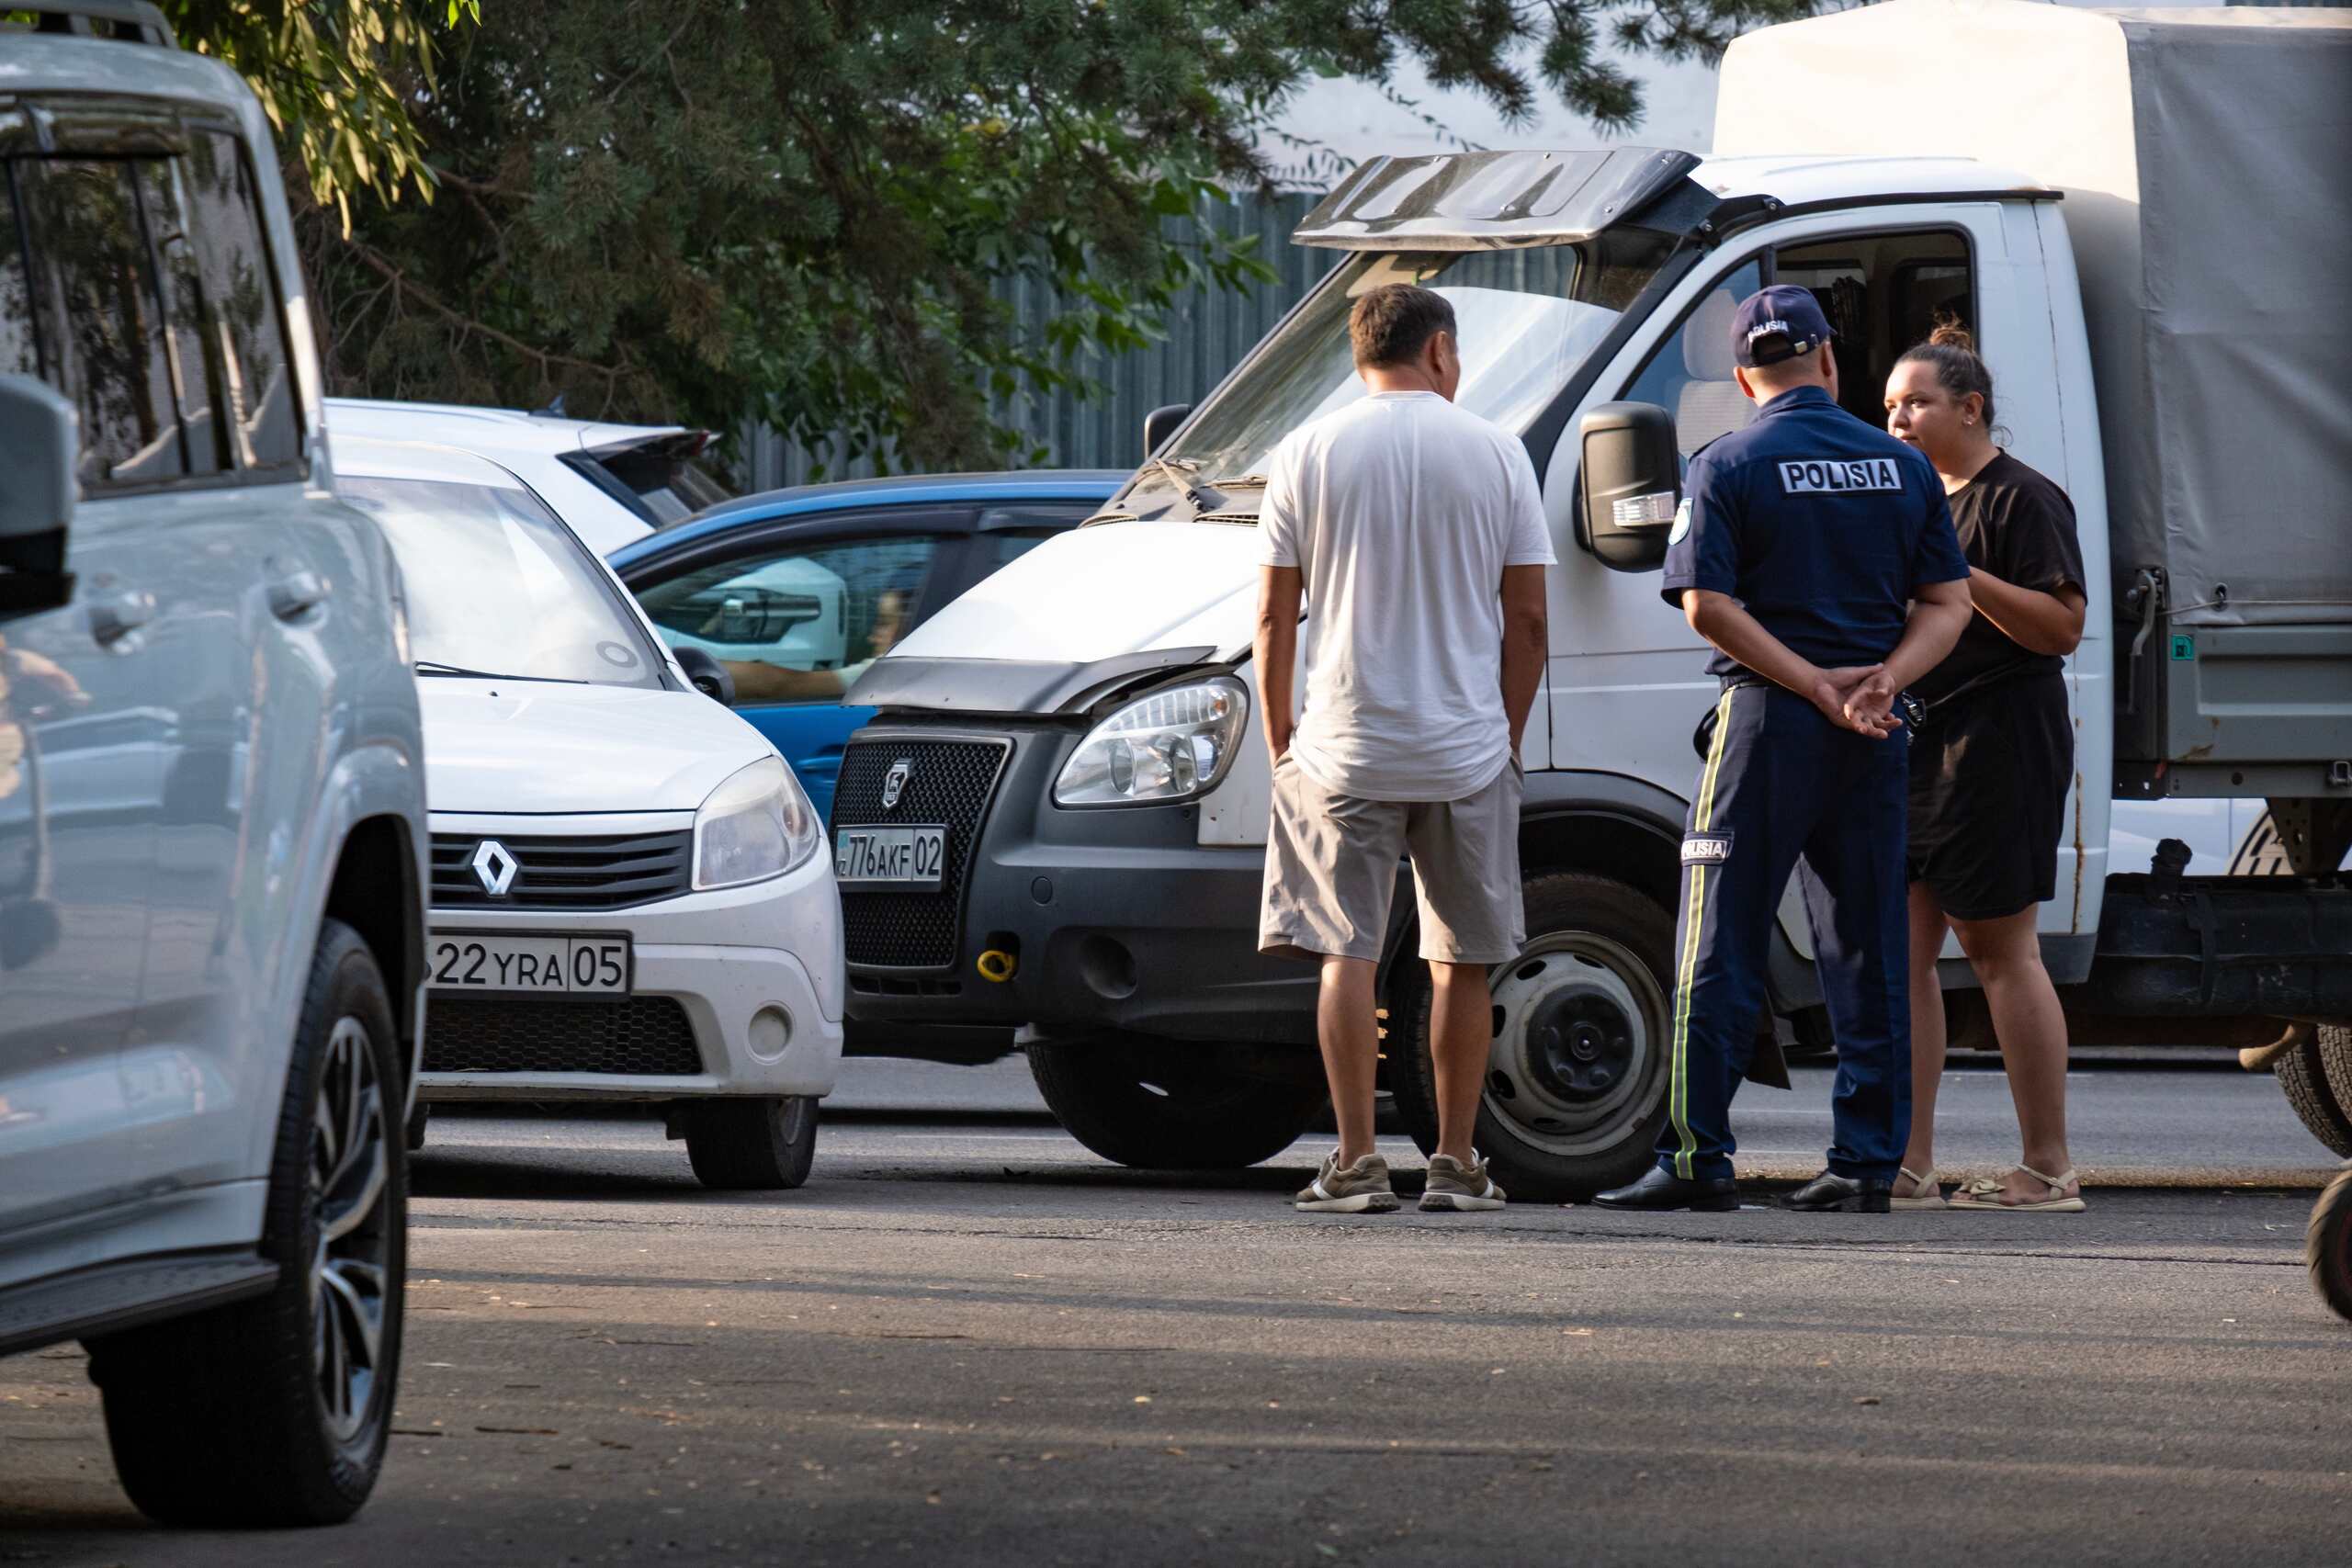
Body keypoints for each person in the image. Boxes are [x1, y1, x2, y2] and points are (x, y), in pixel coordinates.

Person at [1593, 285, 1974, 1215]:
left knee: (1719, 939)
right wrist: (1881, 681)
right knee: (1870, 945)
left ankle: (1697, 1158)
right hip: (1875, 725)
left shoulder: (1725, 463)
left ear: (1741, 379)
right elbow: (1948, 603)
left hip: (1770, 720)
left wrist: (1810, 684)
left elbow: (1705, 605)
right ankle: (1866, 1164)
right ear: (1829, 361)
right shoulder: (1902, 466)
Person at [1254, 282, 1553, 1215]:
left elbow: (1274, 618)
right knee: (1460, 960)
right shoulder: (1499, 452)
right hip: (1466, 748)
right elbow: (1528, 619)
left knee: (1345, 953)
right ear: (1440, 351)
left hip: (1342, 745)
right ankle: (1456, 1164)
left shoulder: (1304, 452)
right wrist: (1504, 738)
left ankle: (1354, 1162)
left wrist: (1281, 744)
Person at [1883, 325, 2088, 1213]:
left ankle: (2048, 1167)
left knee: (2000, 951)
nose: (1898, 419)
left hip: (2000, 742)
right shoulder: (1906, 497)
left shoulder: (2022, 497)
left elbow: (2062, 627)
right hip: (1912, 743)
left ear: (1970, 409)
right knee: (1903, 956)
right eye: (1890, 405)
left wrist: (1961, 577)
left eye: (1917, 403)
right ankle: (1908, 1163)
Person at [714, 587, 909, 703]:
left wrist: (702, 670)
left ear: (910, 628)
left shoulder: (892, 672)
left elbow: (778, 685)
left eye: (884, 623)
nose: (872, 638)